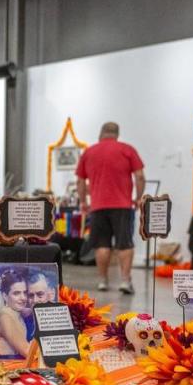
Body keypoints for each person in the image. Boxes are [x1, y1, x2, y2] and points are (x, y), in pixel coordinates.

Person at [76, 122, 145, 294]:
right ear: (117, 134)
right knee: (125, 244)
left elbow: (80, 181)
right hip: (122, 205)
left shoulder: (89, 152)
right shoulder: (127, 149)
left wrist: (84, 201)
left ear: (101, 133)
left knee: (102, 245)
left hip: (98, 206)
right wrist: (138, 198)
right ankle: (124, 281)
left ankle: (103, 281)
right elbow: (140, 176)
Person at [0, 269, 31, 359]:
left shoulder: (16, 311)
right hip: (8, 366)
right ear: (5, 296)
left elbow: (30, 311)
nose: (23, 298)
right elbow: (27, 352)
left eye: (25, 292)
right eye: (16, 293)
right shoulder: (5, 316)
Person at [23, 268, 58, 341]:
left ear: (52, 294)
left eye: (40, 294)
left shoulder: (61, 322)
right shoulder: (22, 323)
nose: (35, 300)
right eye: (31, 295)